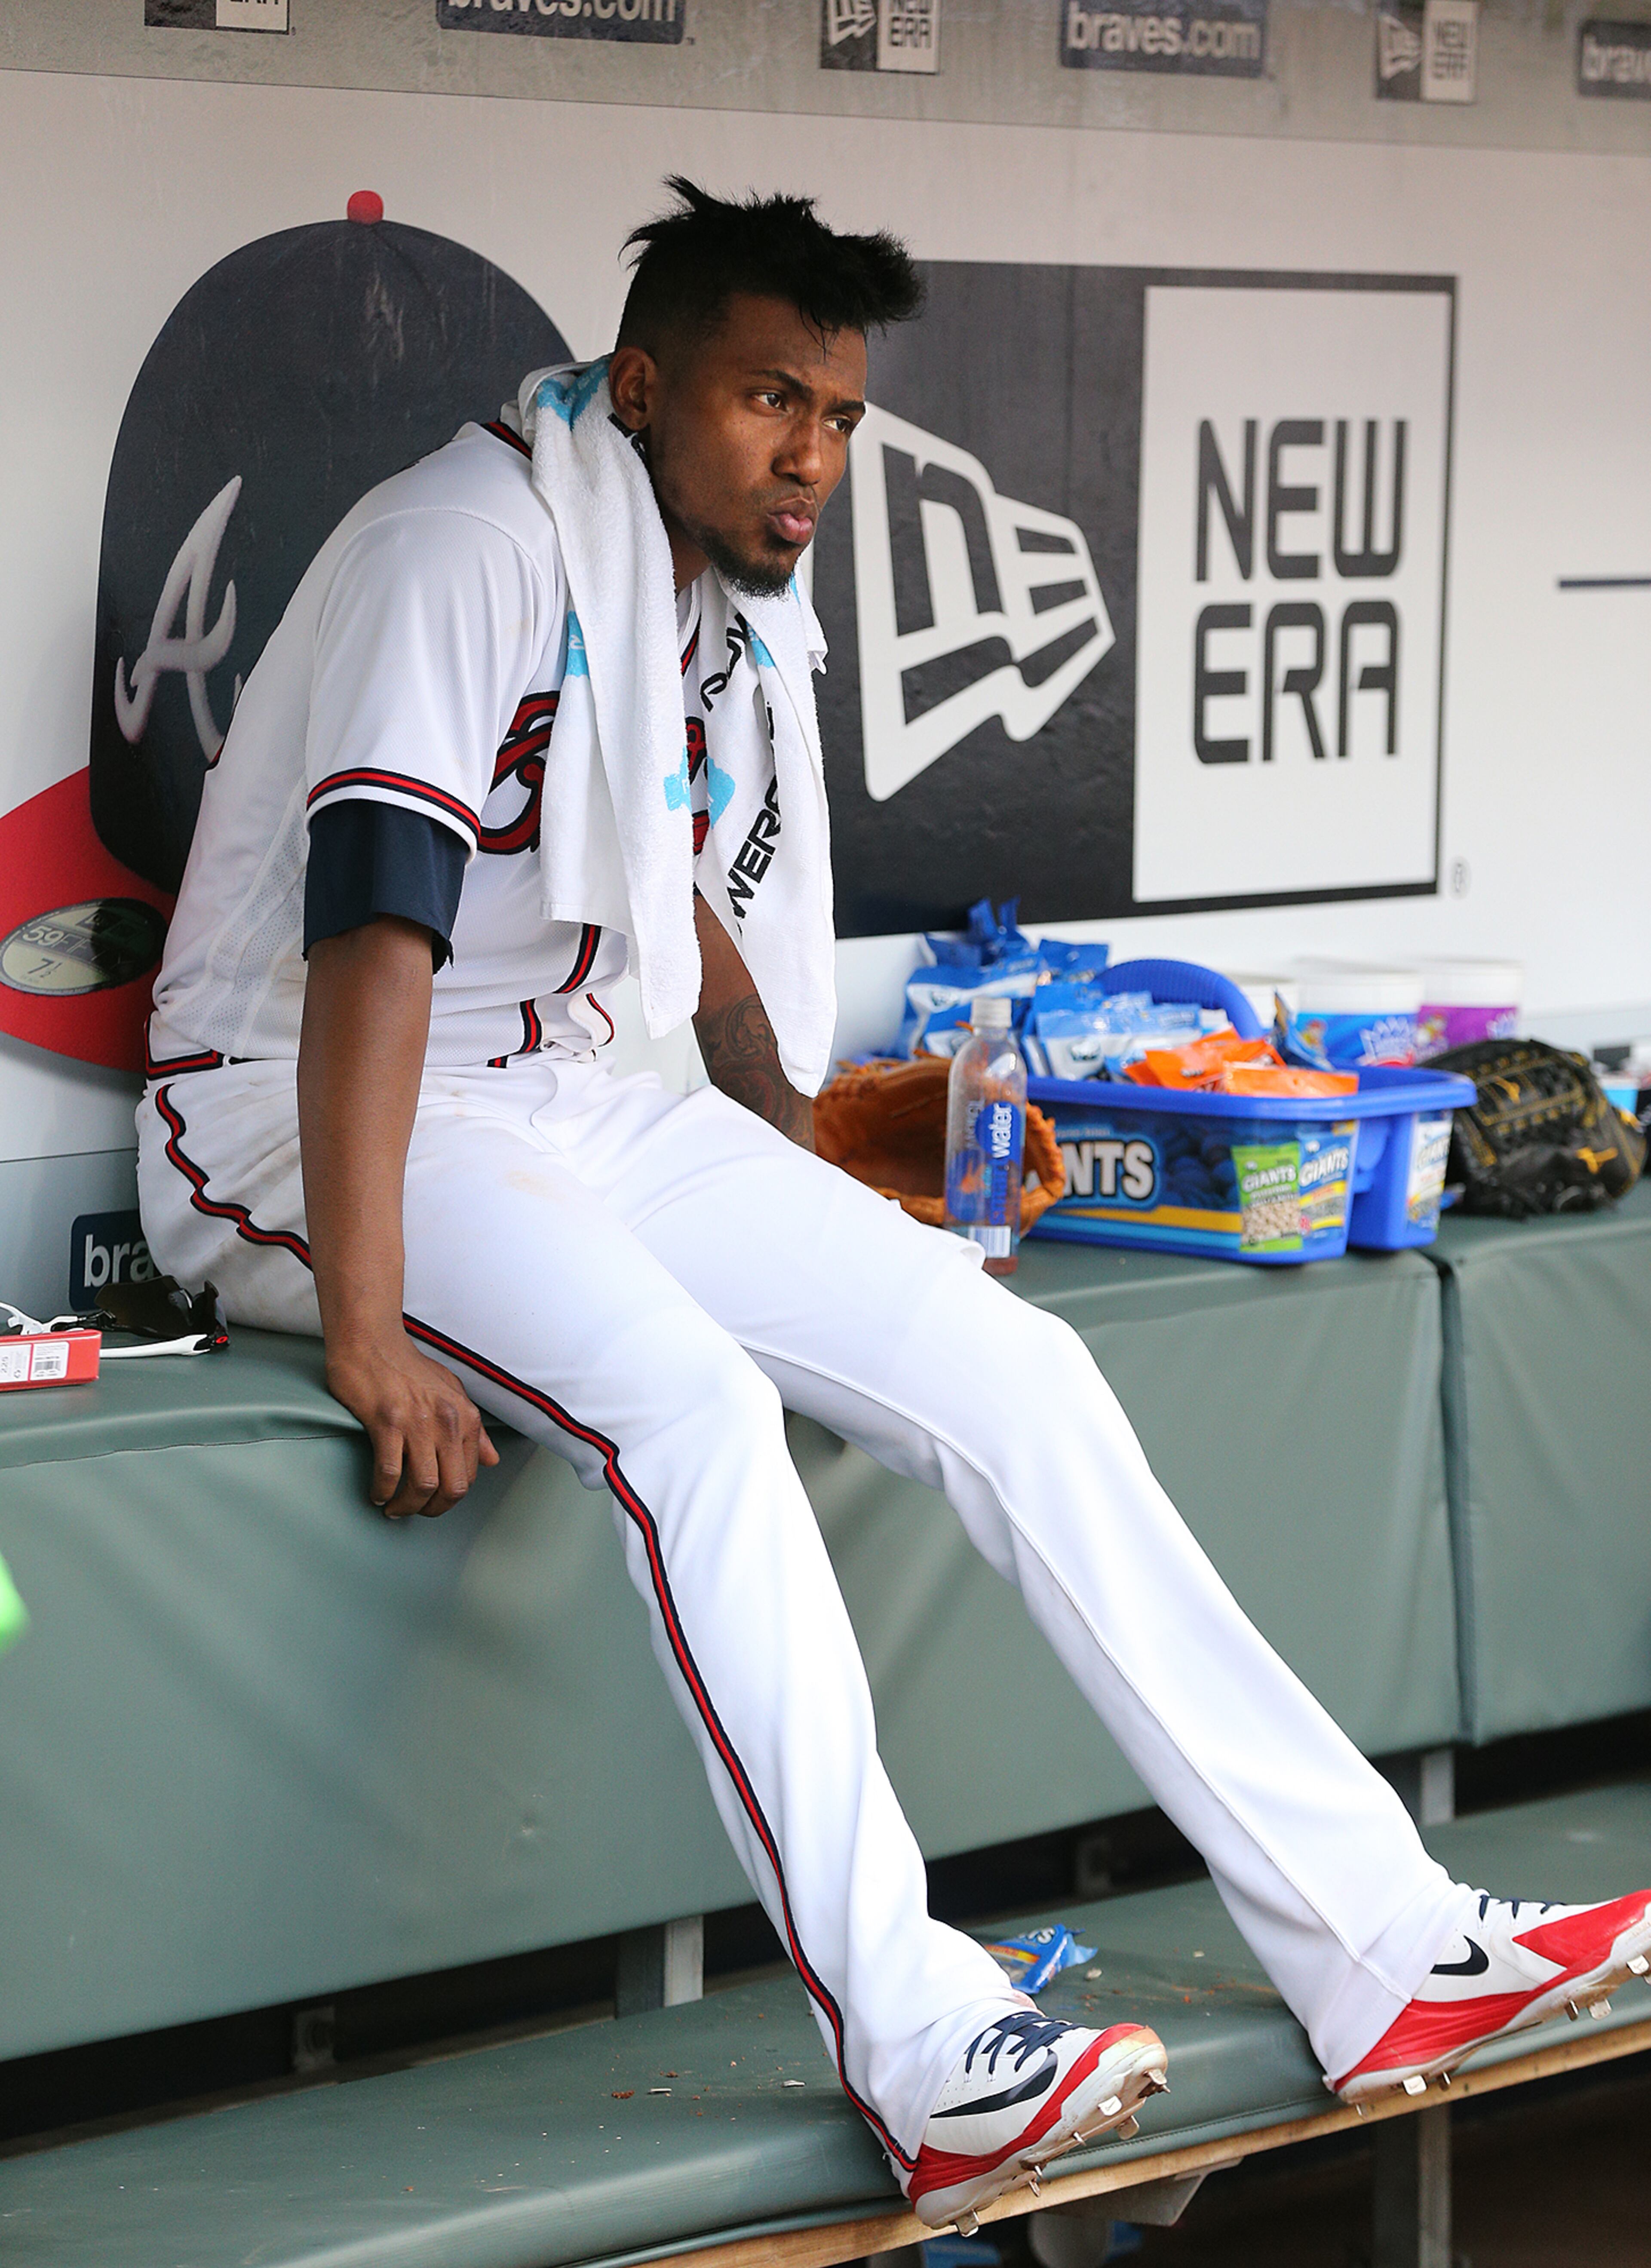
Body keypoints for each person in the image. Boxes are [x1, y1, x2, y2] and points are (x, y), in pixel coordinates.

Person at [136, 179, 1651, 2234]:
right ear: (648, 380)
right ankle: (927, 2045)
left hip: (585, 1087)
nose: (812, 457)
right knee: (694, 1408)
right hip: (314, 1118)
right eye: (772, 401)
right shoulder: (466, 543)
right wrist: (376, 1327)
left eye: (839, 416)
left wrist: (799, 1151)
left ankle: (1380, 1943)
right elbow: (373, 942)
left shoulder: (661, 558)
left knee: (1002, 1361)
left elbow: (652, 890)